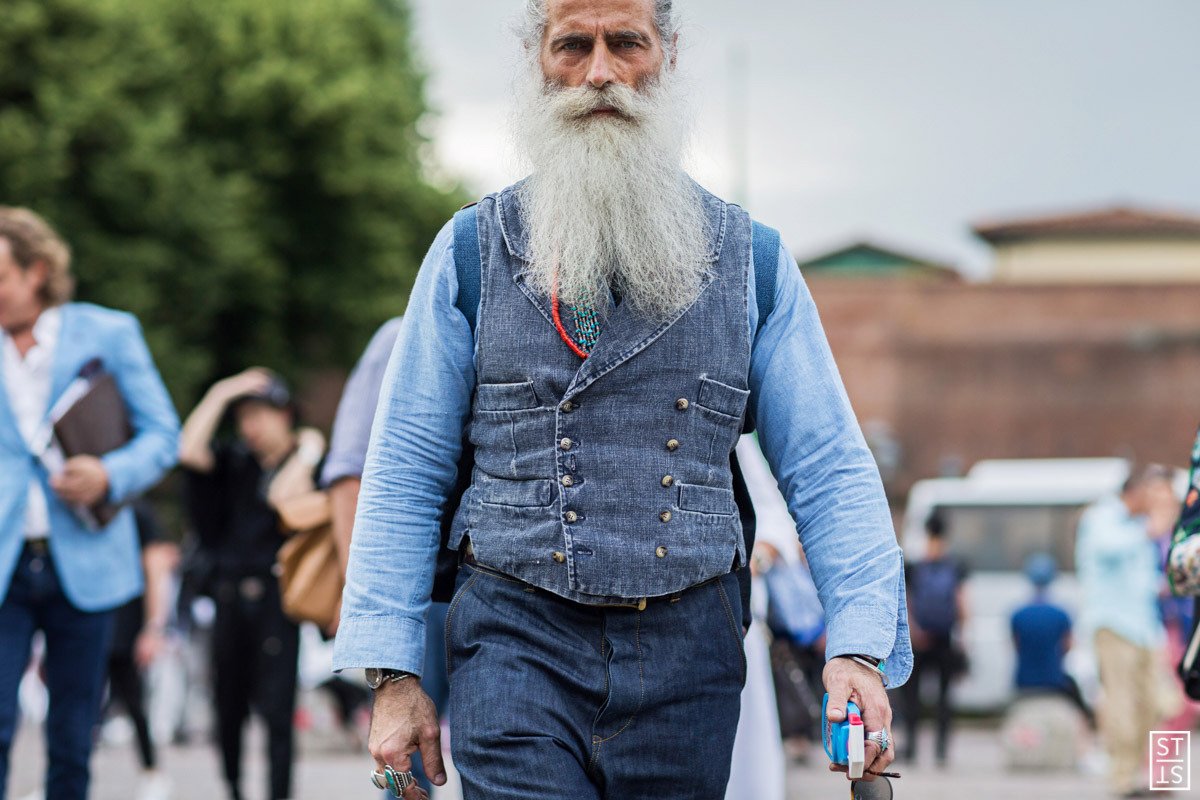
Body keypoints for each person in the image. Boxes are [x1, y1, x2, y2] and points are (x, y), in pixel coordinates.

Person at [333, 2, 912, 798]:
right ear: (536, 62)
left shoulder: (753, 262)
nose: (599, 72)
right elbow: (404, 468)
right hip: (512, 640)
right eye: (573, 45)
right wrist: (392, 676)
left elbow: (829, 466)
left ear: (666, 56)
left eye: (625, 43)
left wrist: (858, 647)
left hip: (689, 651)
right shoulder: (467, 251)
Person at [0, 206, 180, 800]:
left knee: (74, 733)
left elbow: (162, 435)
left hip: (88, 556)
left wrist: (108, 473)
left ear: (37, 271)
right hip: (3, 563)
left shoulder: (108, 332)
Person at [320, 317, 454, 796]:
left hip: (498, 582)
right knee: (407, 755)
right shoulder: (400, 336)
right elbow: (347, 474)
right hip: (422, 592)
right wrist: (359, 595)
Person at [179, 370, 325, 800]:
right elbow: (188, 449)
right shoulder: (232, 462)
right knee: (227, 708)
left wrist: (310, 450)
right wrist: (221, 391)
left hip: (278, 600)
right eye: (243, 417)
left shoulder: (305, 463)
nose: (250, 427)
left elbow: (283, 497)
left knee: (278, 713)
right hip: (227, 597)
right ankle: (234, 789)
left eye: (259, 415)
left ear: (285, 416)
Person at [1076, 463, 1178, 799]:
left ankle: (1158, 776)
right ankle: (1124, 780)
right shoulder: (1103, 518)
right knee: (1122, 704)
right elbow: (1108, 549)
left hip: (1147, 628)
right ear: (1134, 492)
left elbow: (1144, 580)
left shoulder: (1138, 527)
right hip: (1114, 625)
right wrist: (1149, 530)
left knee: (1161, 704)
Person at [102, 502, 179, 800]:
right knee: (77, 701)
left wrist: (152, 628)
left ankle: (152, 771)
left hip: (125, 622)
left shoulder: (136, 513)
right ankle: (58, 776)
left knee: (134, 700)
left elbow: (155, 568)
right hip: (87, 618)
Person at [900, 512, 966, 765]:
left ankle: (913, 747)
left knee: (912, 697)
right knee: (944, 698)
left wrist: (913, 632)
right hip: (944, 639)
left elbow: (906, 601)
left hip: (919, 640)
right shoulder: (955, 565)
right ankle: (940, 751)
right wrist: (961, 637)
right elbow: (962, 603)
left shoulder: (915, 566)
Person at [1010, 553, 1093, 727]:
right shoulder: (1062, 614)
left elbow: (1015, 646)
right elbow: (1069, 645)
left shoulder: (1018, 614)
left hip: (1024, 682)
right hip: (1055, 682)